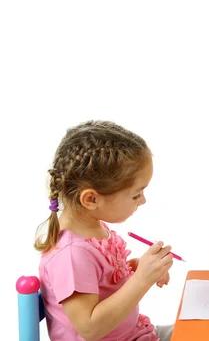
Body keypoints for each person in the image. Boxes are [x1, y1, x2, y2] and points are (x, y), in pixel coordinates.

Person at [35, 121, 174, 340]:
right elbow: (90, 328)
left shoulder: (93, 228)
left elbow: (102, 282)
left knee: (205, 331)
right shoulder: (71, 254)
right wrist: (142, 280)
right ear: (91, 199)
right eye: (136, 194)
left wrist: (137, 269)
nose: (143, 200)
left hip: (134, 334)